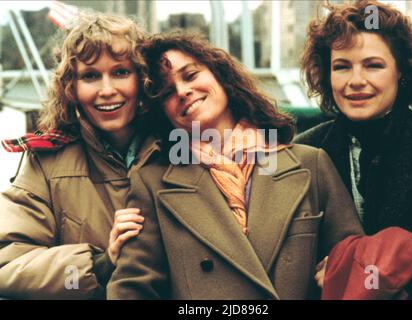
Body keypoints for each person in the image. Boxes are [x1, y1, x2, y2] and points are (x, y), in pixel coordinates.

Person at [107, 32, 363, 300]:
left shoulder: (310, 164)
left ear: (220, 74)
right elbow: (132, 289)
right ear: (163, 111)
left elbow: (356, 263)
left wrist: (340, 270)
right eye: (167, 92)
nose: (183, 91)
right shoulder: (151, 182)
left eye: (191, 75)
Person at [0, 11, 156, 299]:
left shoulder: (180, 147)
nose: (107, 90)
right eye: (91, 76)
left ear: (143, 78)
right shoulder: (44, 164)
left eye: (120, 72)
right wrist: (99, 265)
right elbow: (8, 265)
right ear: (70, 88)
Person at [296, 0, 412, 299]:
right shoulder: (304, 151)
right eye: (341, 66)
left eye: (373, 65)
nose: (356, 81)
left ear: (401, 72)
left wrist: (362, 275)